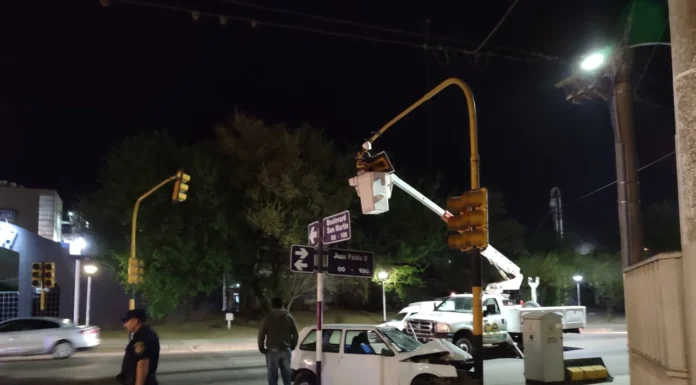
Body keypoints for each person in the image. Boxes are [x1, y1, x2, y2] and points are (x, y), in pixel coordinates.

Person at [258, 297, 299, 385]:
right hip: (285, 349)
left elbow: (261, 334)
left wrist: (262, 348)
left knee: (272, 375)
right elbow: (295, 334)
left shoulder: (268, 318)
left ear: (272, 305)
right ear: (282, 305)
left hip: (272, 350)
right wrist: (292, 346)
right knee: (287, 375)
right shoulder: (288, 317)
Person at [117, 308, 160, 385]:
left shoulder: (142, 337)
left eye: (127, 321)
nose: (125, 325)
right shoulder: (146, 334)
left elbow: (143, 363)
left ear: (135, 321)